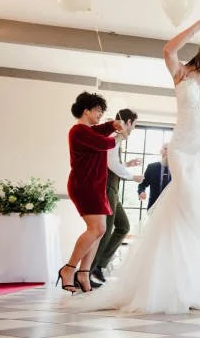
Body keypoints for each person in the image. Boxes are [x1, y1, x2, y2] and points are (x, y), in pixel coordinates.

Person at [68, 13, 200, 314]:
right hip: (183, 147)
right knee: (187, 203)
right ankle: (179, 283)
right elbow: (168, 50)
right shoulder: (182, 72)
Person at [59, 92, 126, 293]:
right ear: (86, 110)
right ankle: (69, 268)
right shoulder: (78, 131)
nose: (99, 114)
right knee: (95, 229)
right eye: (97, 110)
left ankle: (83, 274)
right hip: (84, 185)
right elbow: (104, 143)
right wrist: (120, 135)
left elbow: (102, 130)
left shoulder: (89, 130)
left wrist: (112, 125)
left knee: (101, 230)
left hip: (95, 186)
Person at [90, 109, 144, 286]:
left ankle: (99, 265)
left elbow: (112, 161)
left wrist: (127, 164)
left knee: (123, 226)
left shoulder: (116, 136)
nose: (133, 129)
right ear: (127, 122)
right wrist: (132, 176)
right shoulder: (114, 134)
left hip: (113, 188)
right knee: (106, 228)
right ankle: (92, 269)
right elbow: (110, 163)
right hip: (107, 188)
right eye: (134, 125)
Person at [138, 143, 170, 211]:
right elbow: (142, 184)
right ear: (161, 151)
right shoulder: (152, 167)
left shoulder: (177, 169)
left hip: (171, 208)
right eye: (165, 149)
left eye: (170, 150)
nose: (167, 151)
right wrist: (141, 192)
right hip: (153, 207)